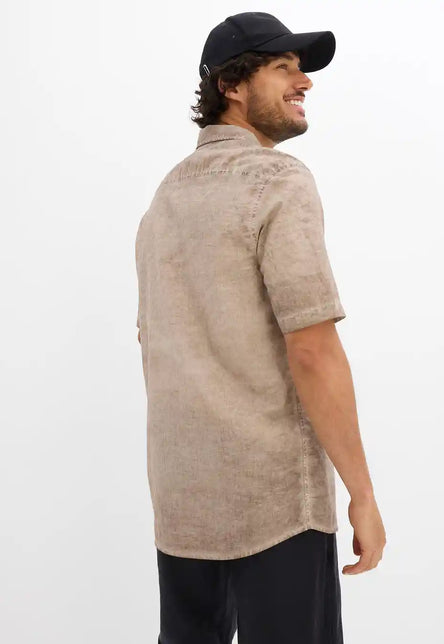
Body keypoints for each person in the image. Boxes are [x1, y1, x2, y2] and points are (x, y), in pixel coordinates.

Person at [134, 11, 387, 644]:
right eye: (283, 67)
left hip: (182, 503)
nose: (305, 81)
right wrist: (361, 493)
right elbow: (313, 348)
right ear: (231, 85)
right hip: (275, 503)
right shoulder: (278, 180)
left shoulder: (164, 199)